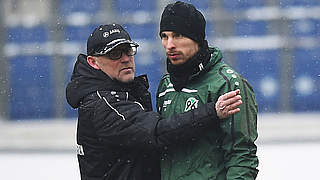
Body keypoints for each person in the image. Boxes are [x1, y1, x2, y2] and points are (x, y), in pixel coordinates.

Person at [66, 23, 242, 180]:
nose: (126, 58)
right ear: (93, 62)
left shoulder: (119, 92)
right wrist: (212, 111)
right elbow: (157, 133)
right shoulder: (104, 104)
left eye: (128, 51)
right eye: (115, 54)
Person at [156, 1, 259, 180]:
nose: (169, 44)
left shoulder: (227, 83)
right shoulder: (166, 85)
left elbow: (242, 156)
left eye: (178, 35)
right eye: (164, 36)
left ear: (196, 38)